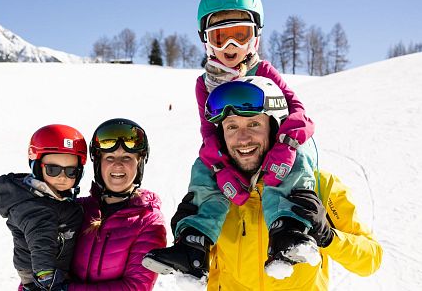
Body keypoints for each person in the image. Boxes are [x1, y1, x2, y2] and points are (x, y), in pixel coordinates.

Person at [143, 0, 318, 279]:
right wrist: (219, 167)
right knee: (202, 172)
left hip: (272, 146)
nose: (230, 48)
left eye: (240, 36)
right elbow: (209, 135)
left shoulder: (264, 72)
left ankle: (288, 231)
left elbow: (299, 114)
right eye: (221, 37)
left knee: (300, 159)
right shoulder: (205, 84)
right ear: (206, 41)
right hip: (233, 151)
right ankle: (193, 246)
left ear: (255, 38)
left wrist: (286, 145)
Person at [160, 79, 383, 289]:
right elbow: (204, 267)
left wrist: (328, 236)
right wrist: (187, 239)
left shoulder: (317, 186)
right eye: (232, 127)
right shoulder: (216, 196)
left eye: (254, 124)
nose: (243, 138)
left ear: (275, 129)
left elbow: (371, 260)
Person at [68, 118, 167, 290]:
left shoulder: (148, 221)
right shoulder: (78, 209)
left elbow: (136, 286)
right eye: (110, 157)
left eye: (127, 157)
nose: (118, 165)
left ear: (139, 162)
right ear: (98, 163)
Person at [0, 124, 87, 291]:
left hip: (53, 266)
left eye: (71, 171)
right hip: (41, 273)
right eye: (53, 169)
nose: (62, 177)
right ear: (37, 166)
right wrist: (46, 276)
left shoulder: (51, 196)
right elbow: (41, 241)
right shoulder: (36, 207)